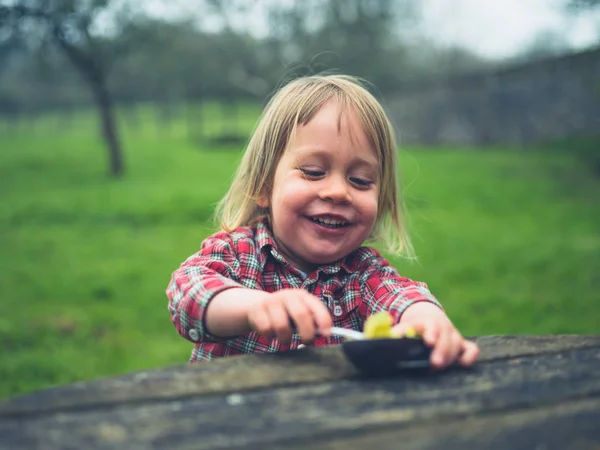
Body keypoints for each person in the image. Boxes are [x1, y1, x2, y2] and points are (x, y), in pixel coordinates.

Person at [166, 74, 479, 370]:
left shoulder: (361, 274)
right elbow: (188, 292)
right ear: (264, 185)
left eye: (360, 180)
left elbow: (400, 294)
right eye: (314, 172)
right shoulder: (238, 253)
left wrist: (426, 320)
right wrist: (252, 307)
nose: (338, 192)